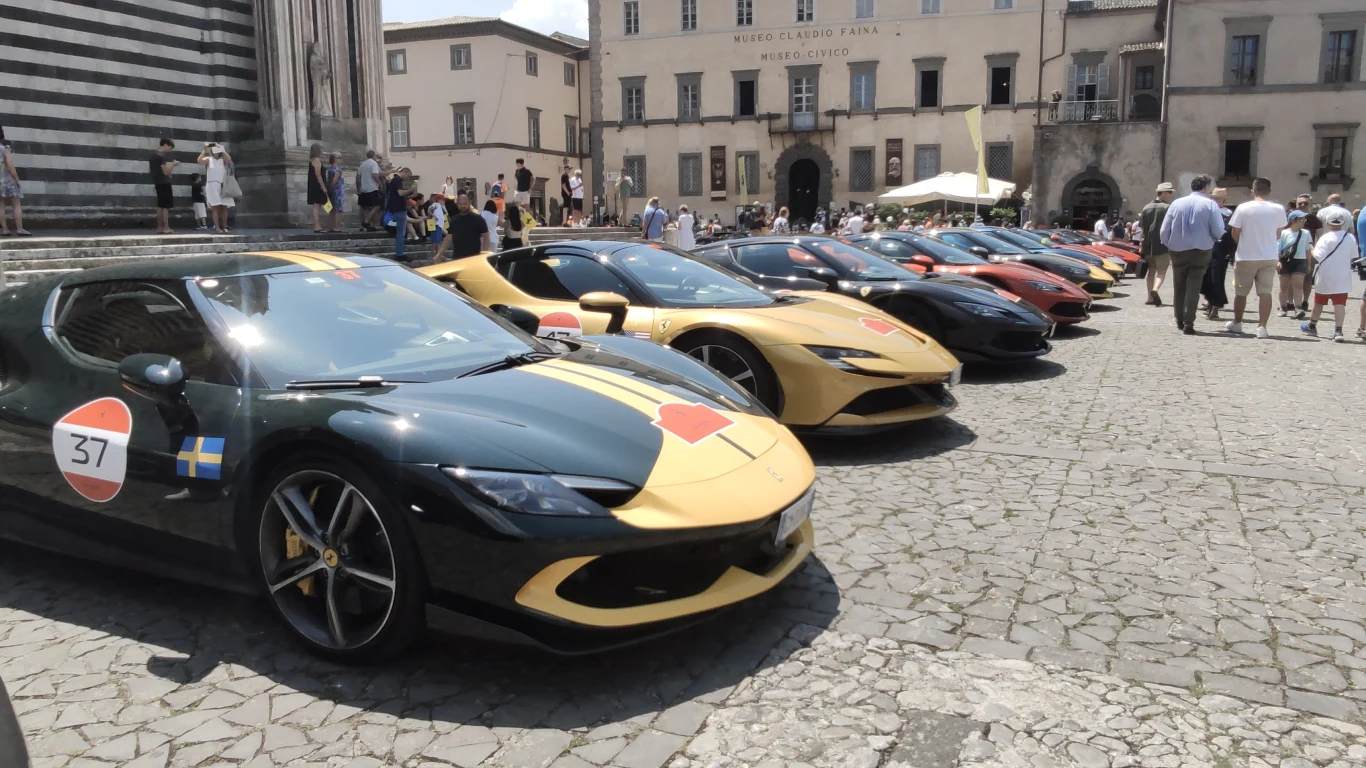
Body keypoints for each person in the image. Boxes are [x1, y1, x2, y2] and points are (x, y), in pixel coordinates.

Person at [1159, 173, 1225, 335]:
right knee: (1194, 286)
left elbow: (1164, 231)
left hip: (1178, 250)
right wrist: (1213, 239)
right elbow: (1218, 230)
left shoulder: (1177, 203)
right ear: (1206, 187)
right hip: (1200, 250)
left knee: (1179, 285)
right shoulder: (1210, 205)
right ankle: (1189, 321)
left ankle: (1179, 318)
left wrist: (1169, 244)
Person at [1227, 177, 1288, 337]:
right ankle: (1262, 327)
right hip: (1269, 255)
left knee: (1241, 292)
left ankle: (1237, 322)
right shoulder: (1278, 209)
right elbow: (1279, 233)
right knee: (1265, 292)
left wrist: (1243, 243)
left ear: (1253, 191)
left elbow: (1235, 231)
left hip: (1246, 255)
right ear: (1269, 191)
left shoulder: (1243, 208)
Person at [1299, 208, 1358, 342]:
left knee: (1319, 301)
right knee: (1340, 303)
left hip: (1325, 273)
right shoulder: (1350, 237)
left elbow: (1318, 256)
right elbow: (1354, 255)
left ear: (1329, 223)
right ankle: (1338, 331)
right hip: (1342, 274)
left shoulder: (1325, 237)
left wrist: (1312, 248)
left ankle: (1312, 325)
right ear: (1342, 223)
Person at [1139, 182, 1175, 306]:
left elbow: (1142, 229)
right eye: (1169, 192)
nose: (1171, 194)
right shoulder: (1168, 208)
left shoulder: (1145, 208)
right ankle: (1155, 289)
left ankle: (1149, 297)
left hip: (1147, 245)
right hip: (1162, 245)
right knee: (1161, 271)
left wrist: (1141, 245)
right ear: (1164, 193)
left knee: (1151, 271)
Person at [1201, 188, 1234, 321]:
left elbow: (1230, 234)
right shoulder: (1209, 212)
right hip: (1207, 248)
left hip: (1221, 250)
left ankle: (1214, 307)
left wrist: (1231, 252)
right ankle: (1210, 304)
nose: (1214, 200)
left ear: (1223, 200)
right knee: (1207, 278)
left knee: (1217, 279)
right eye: (1213, 198)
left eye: (1217, 198)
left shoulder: (1228, 214)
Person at [1276, 211, 1311, 318]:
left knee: (1298, 285)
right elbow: (1278, 248)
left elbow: (1308, 249)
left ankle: (1298, 307)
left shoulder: (1306, 233)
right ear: (1293, 220)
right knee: (1284, 286)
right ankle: (1283, 307)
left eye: (1304, 219)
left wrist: (1308, 264)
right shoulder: (1284, 233)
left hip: (1300, 261)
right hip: (1286, 261)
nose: (1304, 221)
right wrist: (1277, 261)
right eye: (1301, 219)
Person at [438, 192, 489, 262]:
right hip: (457, 259)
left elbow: (486, 237)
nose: (463, 206)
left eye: (465, 204)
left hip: (474, 258)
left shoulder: (478, 219)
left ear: (469, 203)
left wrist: (484, 254)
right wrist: (439, 253)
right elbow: (448, 238)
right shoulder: (454, 220)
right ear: (457, 204)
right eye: (460, 204)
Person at [197, 142, 233, 233]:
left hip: (223, 184)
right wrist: (205, 150)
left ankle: (224, 226)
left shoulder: (223, 159)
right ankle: (217, 227)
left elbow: (229, 159)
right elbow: (199, 160)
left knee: (224, 206)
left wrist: (221, 148)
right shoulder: (209, 159)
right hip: (212, 185)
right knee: (215, 207)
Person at [0, 127, 27, 236]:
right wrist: (17, 180)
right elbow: (10, 167)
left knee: (0, 206)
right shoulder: (4, 149)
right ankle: (20, 229)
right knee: (16, 204)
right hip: (8, 180)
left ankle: (5, 230)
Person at [150, 137, 179, 234]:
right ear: (166, 145)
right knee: (165, 206)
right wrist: (173, 165)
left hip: (157, 181)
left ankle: (159, 227)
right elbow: (166, 172)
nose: (170, 151)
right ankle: (166, 227)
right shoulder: (160, 156)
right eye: (170, 148)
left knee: (160, 206)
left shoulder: (153, 155)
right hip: (164, 182)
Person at [385, 167, 413, 262]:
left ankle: (399, 252)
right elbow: (400, 193)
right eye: (408, 175)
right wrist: (410, 189)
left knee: (400, 233)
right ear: (404, 172)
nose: (407, 178)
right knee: (401, 233)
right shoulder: (397, 180)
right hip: (398, 210)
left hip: (396, 209)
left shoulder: (396, 180)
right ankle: (399, 254)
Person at [356, 149, 383, 231]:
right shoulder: (374, 163)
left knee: (365, 207)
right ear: (373, 156)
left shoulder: (362, 164)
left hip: (364, 188)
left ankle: (367, 225)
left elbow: (358, 177)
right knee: (377, 206)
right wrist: (380, 184)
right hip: (372, 188)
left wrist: (359, 187)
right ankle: (367, 220)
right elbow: (375, 175)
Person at [306, 144, 328, 233]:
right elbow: (318, 174)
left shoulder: (311, 160)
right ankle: (316, 225)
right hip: (317, 186)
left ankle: (317, 224)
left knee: (317, 205)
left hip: (313, 185)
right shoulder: (317, 160)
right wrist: (323, 187)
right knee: (317, 205)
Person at [325, 153, 346, 233]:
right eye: (339, 158)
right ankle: (337, 226)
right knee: (338, 209)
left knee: (331, 209)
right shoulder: (338, 170)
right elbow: (334, 181)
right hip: (337, 191)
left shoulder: (330, 169)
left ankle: (330, 226)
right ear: (335, 159)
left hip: (330, 191)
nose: (341, 159)